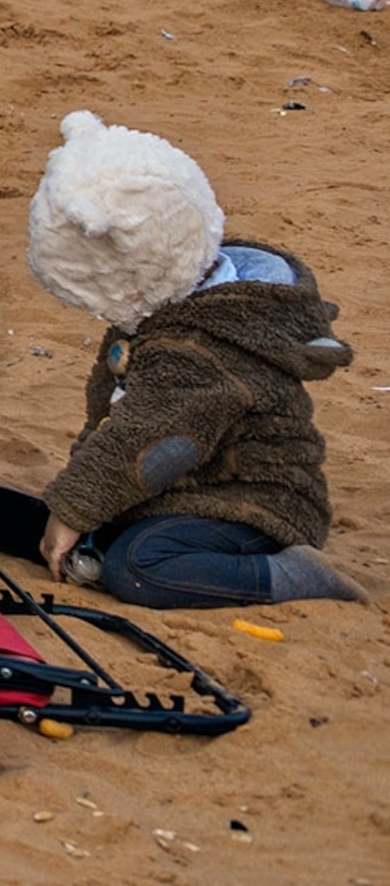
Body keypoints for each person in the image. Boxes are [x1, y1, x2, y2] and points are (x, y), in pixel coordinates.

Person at [25, 110, 364, 606]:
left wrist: (75, 508)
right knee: (69, 527)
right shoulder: (162, 309)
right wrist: (79, 504)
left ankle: (292, 574)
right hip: (182, 492)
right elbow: (114, 423)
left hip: (252, 504)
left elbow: (152, 440)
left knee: (140, 568)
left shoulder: (202, 348)